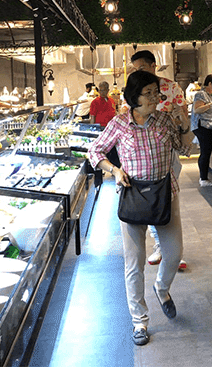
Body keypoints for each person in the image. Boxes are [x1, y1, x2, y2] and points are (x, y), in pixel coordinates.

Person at [89, 71, 188, 346]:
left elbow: (184, 148)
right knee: (134, 263)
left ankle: (162, 288)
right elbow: (95, 151)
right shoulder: (120, 123)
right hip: (133, 195)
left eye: (157, 92)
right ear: (134, 97)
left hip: (165, 193)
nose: (155, 98)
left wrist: (184, 124)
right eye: (149, 93)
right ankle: (139, 321)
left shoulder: (164, 120)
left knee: (174, 253)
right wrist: (114, 170)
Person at [127, 50, 191, 270]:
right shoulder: (135, 89)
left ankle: (172, 250)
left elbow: (183, 113)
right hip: (143, 153)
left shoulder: (171, 87)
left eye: (141, 68)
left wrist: (180, 124)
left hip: (169, 148)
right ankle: (160, 246)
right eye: (135, 69)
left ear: (153, 66)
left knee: (169, 197)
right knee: (150, 199)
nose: (138, 72)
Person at [190, 74, 212, 187]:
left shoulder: (210, 96)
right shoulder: (201, 94)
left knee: (206, 151)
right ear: (210, 84)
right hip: (202, 126)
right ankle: (203, 179)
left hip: (207, 126)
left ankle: (204, 176)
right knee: (205, 152)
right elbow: (197, 110)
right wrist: (209, 105)